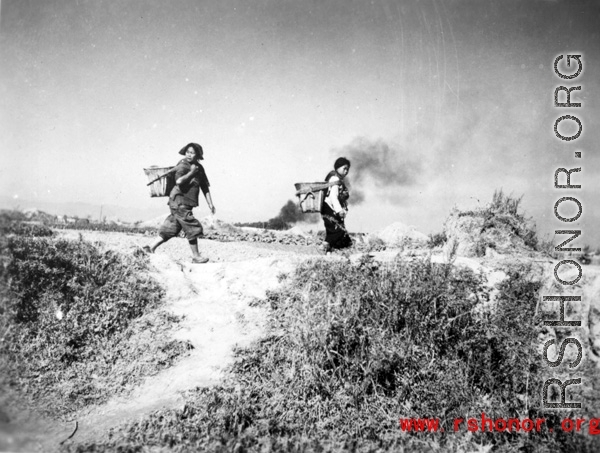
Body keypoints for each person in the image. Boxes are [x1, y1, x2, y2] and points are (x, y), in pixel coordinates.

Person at [144, 143, 216, 263]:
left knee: (172, 227)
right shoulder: (183, 165)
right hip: (179, 201)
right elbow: (179, 181)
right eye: (187, 152)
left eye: (192, 152)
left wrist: (210, 203)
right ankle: (196, 256)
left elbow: (205, 187)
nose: (189, 154)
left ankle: (150, 247)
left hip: (184, 203)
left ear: (198, 155)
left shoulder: (200, 168)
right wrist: (192, 173)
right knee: (191, 226)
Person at [320, 157, 352, 253]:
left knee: (334, 230)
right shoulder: (335, 179)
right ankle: (324, 247)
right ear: (337, 168)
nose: (346, 171)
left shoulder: (338, 179)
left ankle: (331, 251)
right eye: (344, 168)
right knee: (338, 230)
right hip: (329, 208)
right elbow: (333, 196)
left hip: (329, 208)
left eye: (347, 169)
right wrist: (339, 210)